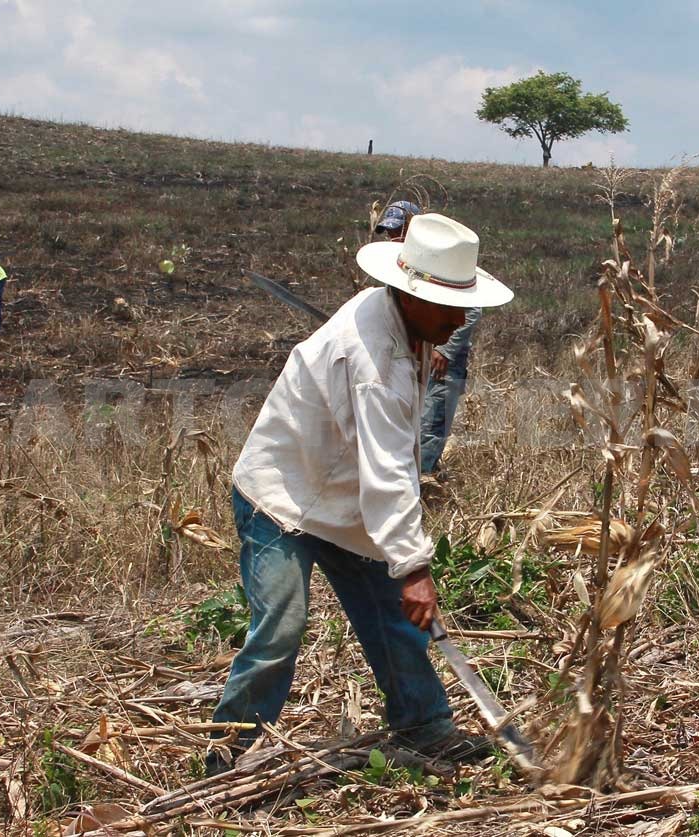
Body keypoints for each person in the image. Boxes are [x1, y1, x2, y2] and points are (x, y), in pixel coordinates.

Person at [206, 213, 514, 776]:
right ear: (408, 295)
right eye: (448, 308)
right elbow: (390, 470)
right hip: (284, 495)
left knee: (391, 615)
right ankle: (231, 750)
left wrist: (428, 348)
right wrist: (415, 566)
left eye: (462, 306)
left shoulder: (399, 321)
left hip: (344, 499)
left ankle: (423, 726)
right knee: (281, 623)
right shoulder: (380, 364)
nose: (459, 318)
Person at [375, 202, 482, 474]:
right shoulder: (399, 267)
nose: (393, 238)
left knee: (432, 424)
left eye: (399, 231)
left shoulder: (443, 267)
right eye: (390, 233)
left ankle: (420, 481)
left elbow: (469, 310)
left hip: (443, 362)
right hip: (411, 358)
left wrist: (445, 350)